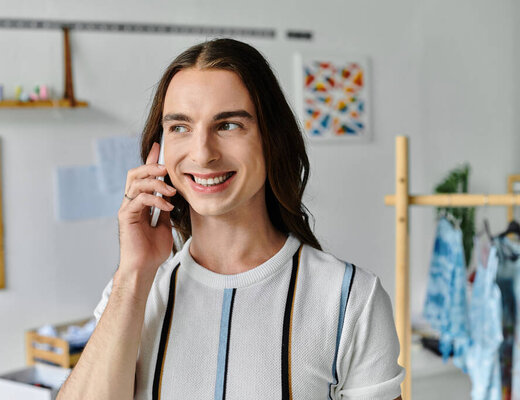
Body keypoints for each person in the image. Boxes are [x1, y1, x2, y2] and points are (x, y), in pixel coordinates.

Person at [58, 38, 404, 400]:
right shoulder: (133, 292)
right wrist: (133, 272)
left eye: (228, 125)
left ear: (272, 138)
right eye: (180, 127)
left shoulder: (350, 299)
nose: (203, 153)